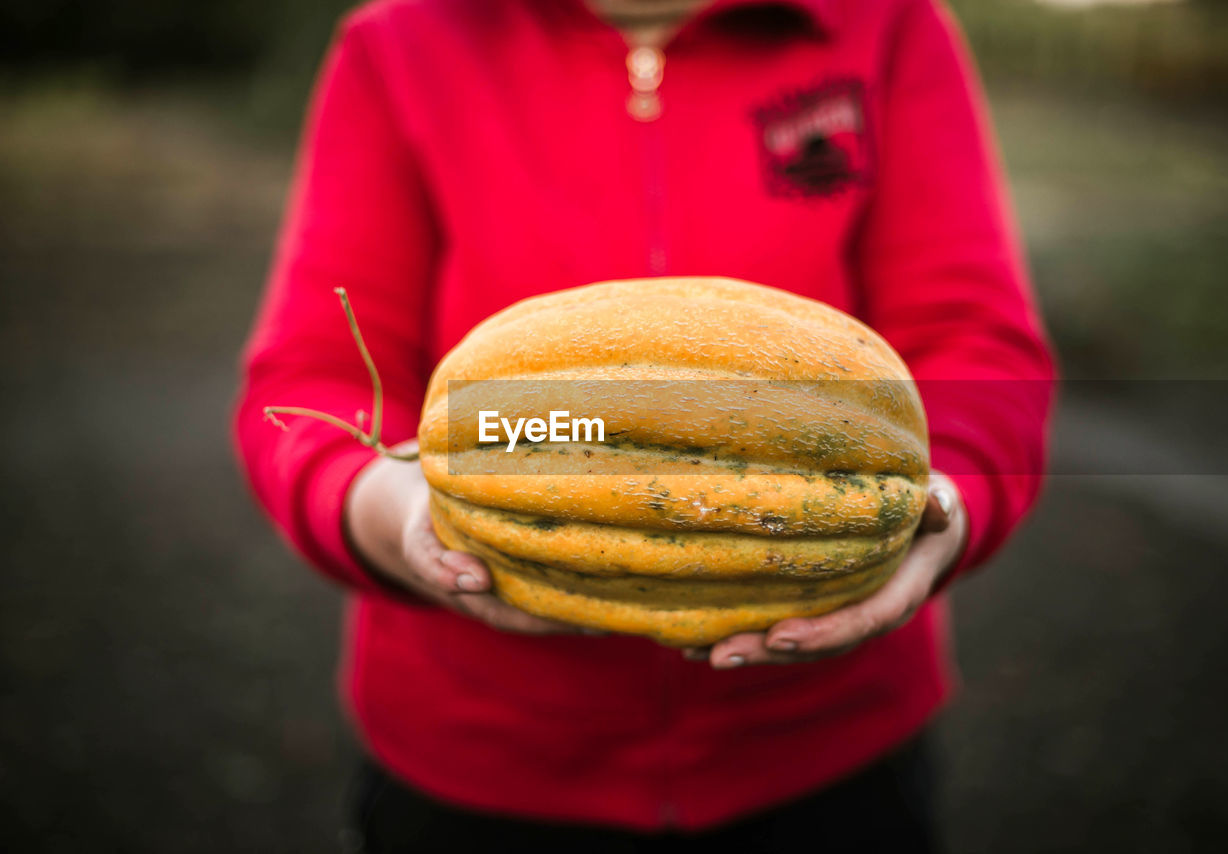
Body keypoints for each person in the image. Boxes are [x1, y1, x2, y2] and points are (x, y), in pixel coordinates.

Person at [232, 0, 1055, 851]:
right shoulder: (397, 45)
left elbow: (977, 345)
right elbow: (312, 379)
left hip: (828, 753)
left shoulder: (889, 25)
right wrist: (388, 507)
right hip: (481, 764)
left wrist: (945, 508)